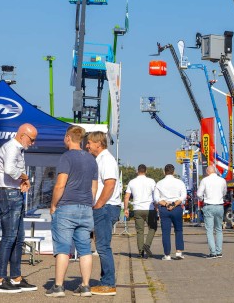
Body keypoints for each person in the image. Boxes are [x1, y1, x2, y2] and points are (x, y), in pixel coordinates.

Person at [46, 126, 98, 298]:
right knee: (85, 249)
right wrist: (88, 203)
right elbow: (94, 187)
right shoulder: (92, 159)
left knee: (62, 248)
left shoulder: (66, 157)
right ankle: (85, 286)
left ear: (68, 138)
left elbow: (60, 184)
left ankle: (59, 287)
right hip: (85, 208)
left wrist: (53, 204)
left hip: (67, 207)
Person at [0, 123, 38, 294]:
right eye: (31, 139)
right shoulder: (12, 147)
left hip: (13, 193)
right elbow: (10, 169)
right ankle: (0, 279)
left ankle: (16, 277)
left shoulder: (17, 148)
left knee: (19, 238)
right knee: (9, 237)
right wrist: (25, 178)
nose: (32, 143)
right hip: (8, 194)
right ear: (22, 135)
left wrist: (23, 181)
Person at [86, 131, 122, 296]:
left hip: (106, 207)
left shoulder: (106, 160)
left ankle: (108, 283)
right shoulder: (101, 159)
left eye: (89, 143)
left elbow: (110, 184)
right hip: (105, 206)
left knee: (102, 246)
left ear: (98, 144)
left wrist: (98, 204)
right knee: (102, 245)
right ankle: (105, 281)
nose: (87, 145)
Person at [154, 164, 187, 260]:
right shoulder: (180, 182)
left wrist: (166, 204)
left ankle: (167, 255)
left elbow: (156, 198)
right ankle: (179, 252)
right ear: (174, 172)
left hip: (164, 208)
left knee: (165, 232)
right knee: (178, 230)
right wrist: (174, 204)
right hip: (176, 208)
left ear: (164, 172)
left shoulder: (159, 183)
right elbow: (183, 196)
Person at [124, 164, 157, 259]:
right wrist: (156, 206)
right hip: (149, 208)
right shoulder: (151, 181)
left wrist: (126, 209)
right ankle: (147, 244)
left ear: (137, 171)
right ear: (146, 171)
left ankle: (140, 252)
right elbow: (155, 196)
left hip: (137, 209)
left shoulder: (132, 182)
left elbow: (126, 196)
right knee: (152, 228)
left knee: (140, 231)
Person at [196, 164, 227, 258]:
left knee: (209, 230)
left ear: (207, 172)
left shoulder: (205, 180)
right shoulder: (222, 180)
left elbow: (199, 194)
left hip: (208, 205)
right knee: (219, 229)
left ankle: (213, 252)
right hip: (219, 206)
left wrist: (202, 199)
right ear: (215, 171)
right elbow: (224, 192)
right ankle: (219, 252)